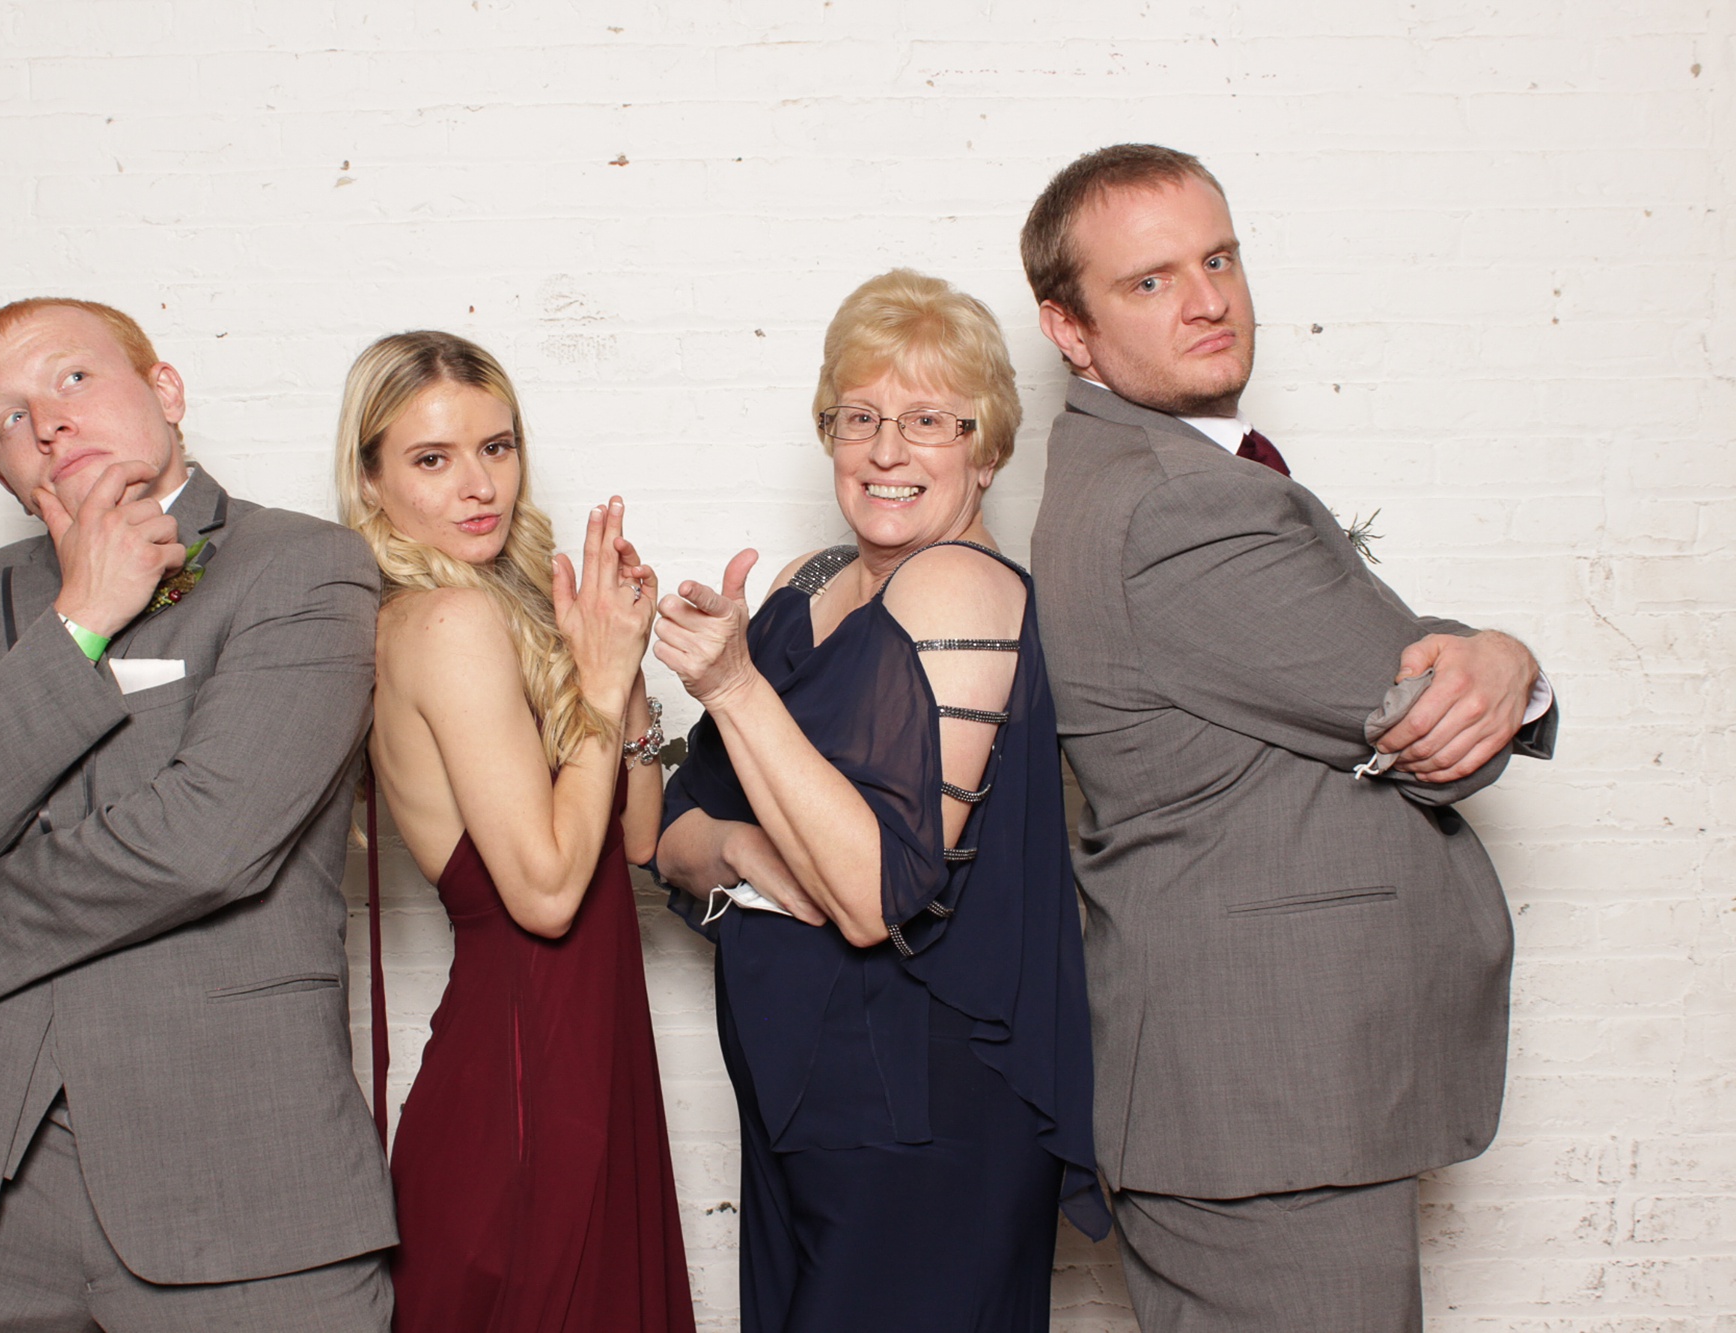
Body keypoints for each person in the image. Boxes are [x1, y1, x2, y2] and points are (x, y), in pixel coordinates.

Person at [1020, 143, 1560, 1331]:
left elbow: (1380, 665)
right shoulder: (1177, 501)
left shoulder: (1142, 470)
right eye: (1148, 281)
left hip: (1247, 1098)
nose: (1206, 297)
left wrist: (1486, 658)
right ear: (1068, 330)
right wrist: (1503, 665)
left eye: (1216, 257)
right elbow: (1433, 718)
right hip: (1267, 1103)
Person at [0, 298, 397, 1330]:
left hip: (241, 1192)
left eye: (72, 379)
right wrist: (82, 618)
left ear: (165, 390)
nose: (47, 422)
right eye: (7, 417)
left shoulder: (302, 568)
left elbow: (208, 840)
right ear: (2, 473)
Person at [654, 269, 1109, 1333]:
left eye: (927, 421)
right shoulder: (808, 586)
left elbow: (870, 895)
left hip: (919, 1110)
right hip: (801, 1101)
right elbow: (667, 831)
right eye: (857, 417)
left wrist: (728, 687)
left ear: (986, 450)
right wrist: (748, 847)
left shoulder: (958, 588)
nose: (885, 450)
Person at [333, 331, 694, 1333]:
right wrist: (602, 680)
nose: (476, 485)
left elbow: (631, 838)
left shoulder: (508, 605)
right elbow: (542, 893)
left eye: (497, 447)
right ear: (370, 481)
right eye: (431, 459)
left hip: (578, 1047)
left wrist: (616, 692)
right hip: (527, 1070)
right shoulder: (444, 623)